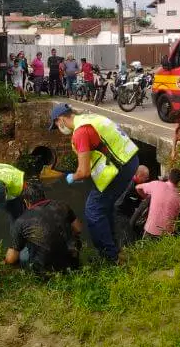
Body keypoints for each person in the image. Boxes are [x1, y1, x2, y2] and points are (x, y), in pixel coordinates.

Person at [50, 103, 140, 263]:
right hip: (129, 159)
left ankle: (109, 257)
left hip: (120, 167)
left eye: (56, 125)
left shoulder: (80, 133)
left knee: (94, 210)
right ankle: (115, 248)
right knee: (106, 206)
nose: (58, 129)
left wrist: (72, 177)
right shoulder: (88, 118)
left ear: (60, 119)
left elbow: (83, 172)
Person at [5, 181, 82, 275]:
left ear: (26, 201)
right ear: (44, 195)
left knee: (22, 254)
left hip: (46, 272)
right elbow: (78, 229)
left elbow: (11, 259)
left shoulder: (21, 221)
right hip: (72, 264)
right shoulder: (63, 205)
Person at [135, 168, 180, 238]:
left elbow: (138, 187)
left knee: (145, 248)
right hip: (165, 235)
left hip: (150, 230)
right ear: (179, 181)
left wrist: (146, 197)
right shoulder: (179, 199)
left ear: (169, 176)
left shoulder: (156, 184)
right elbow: (175, 219)